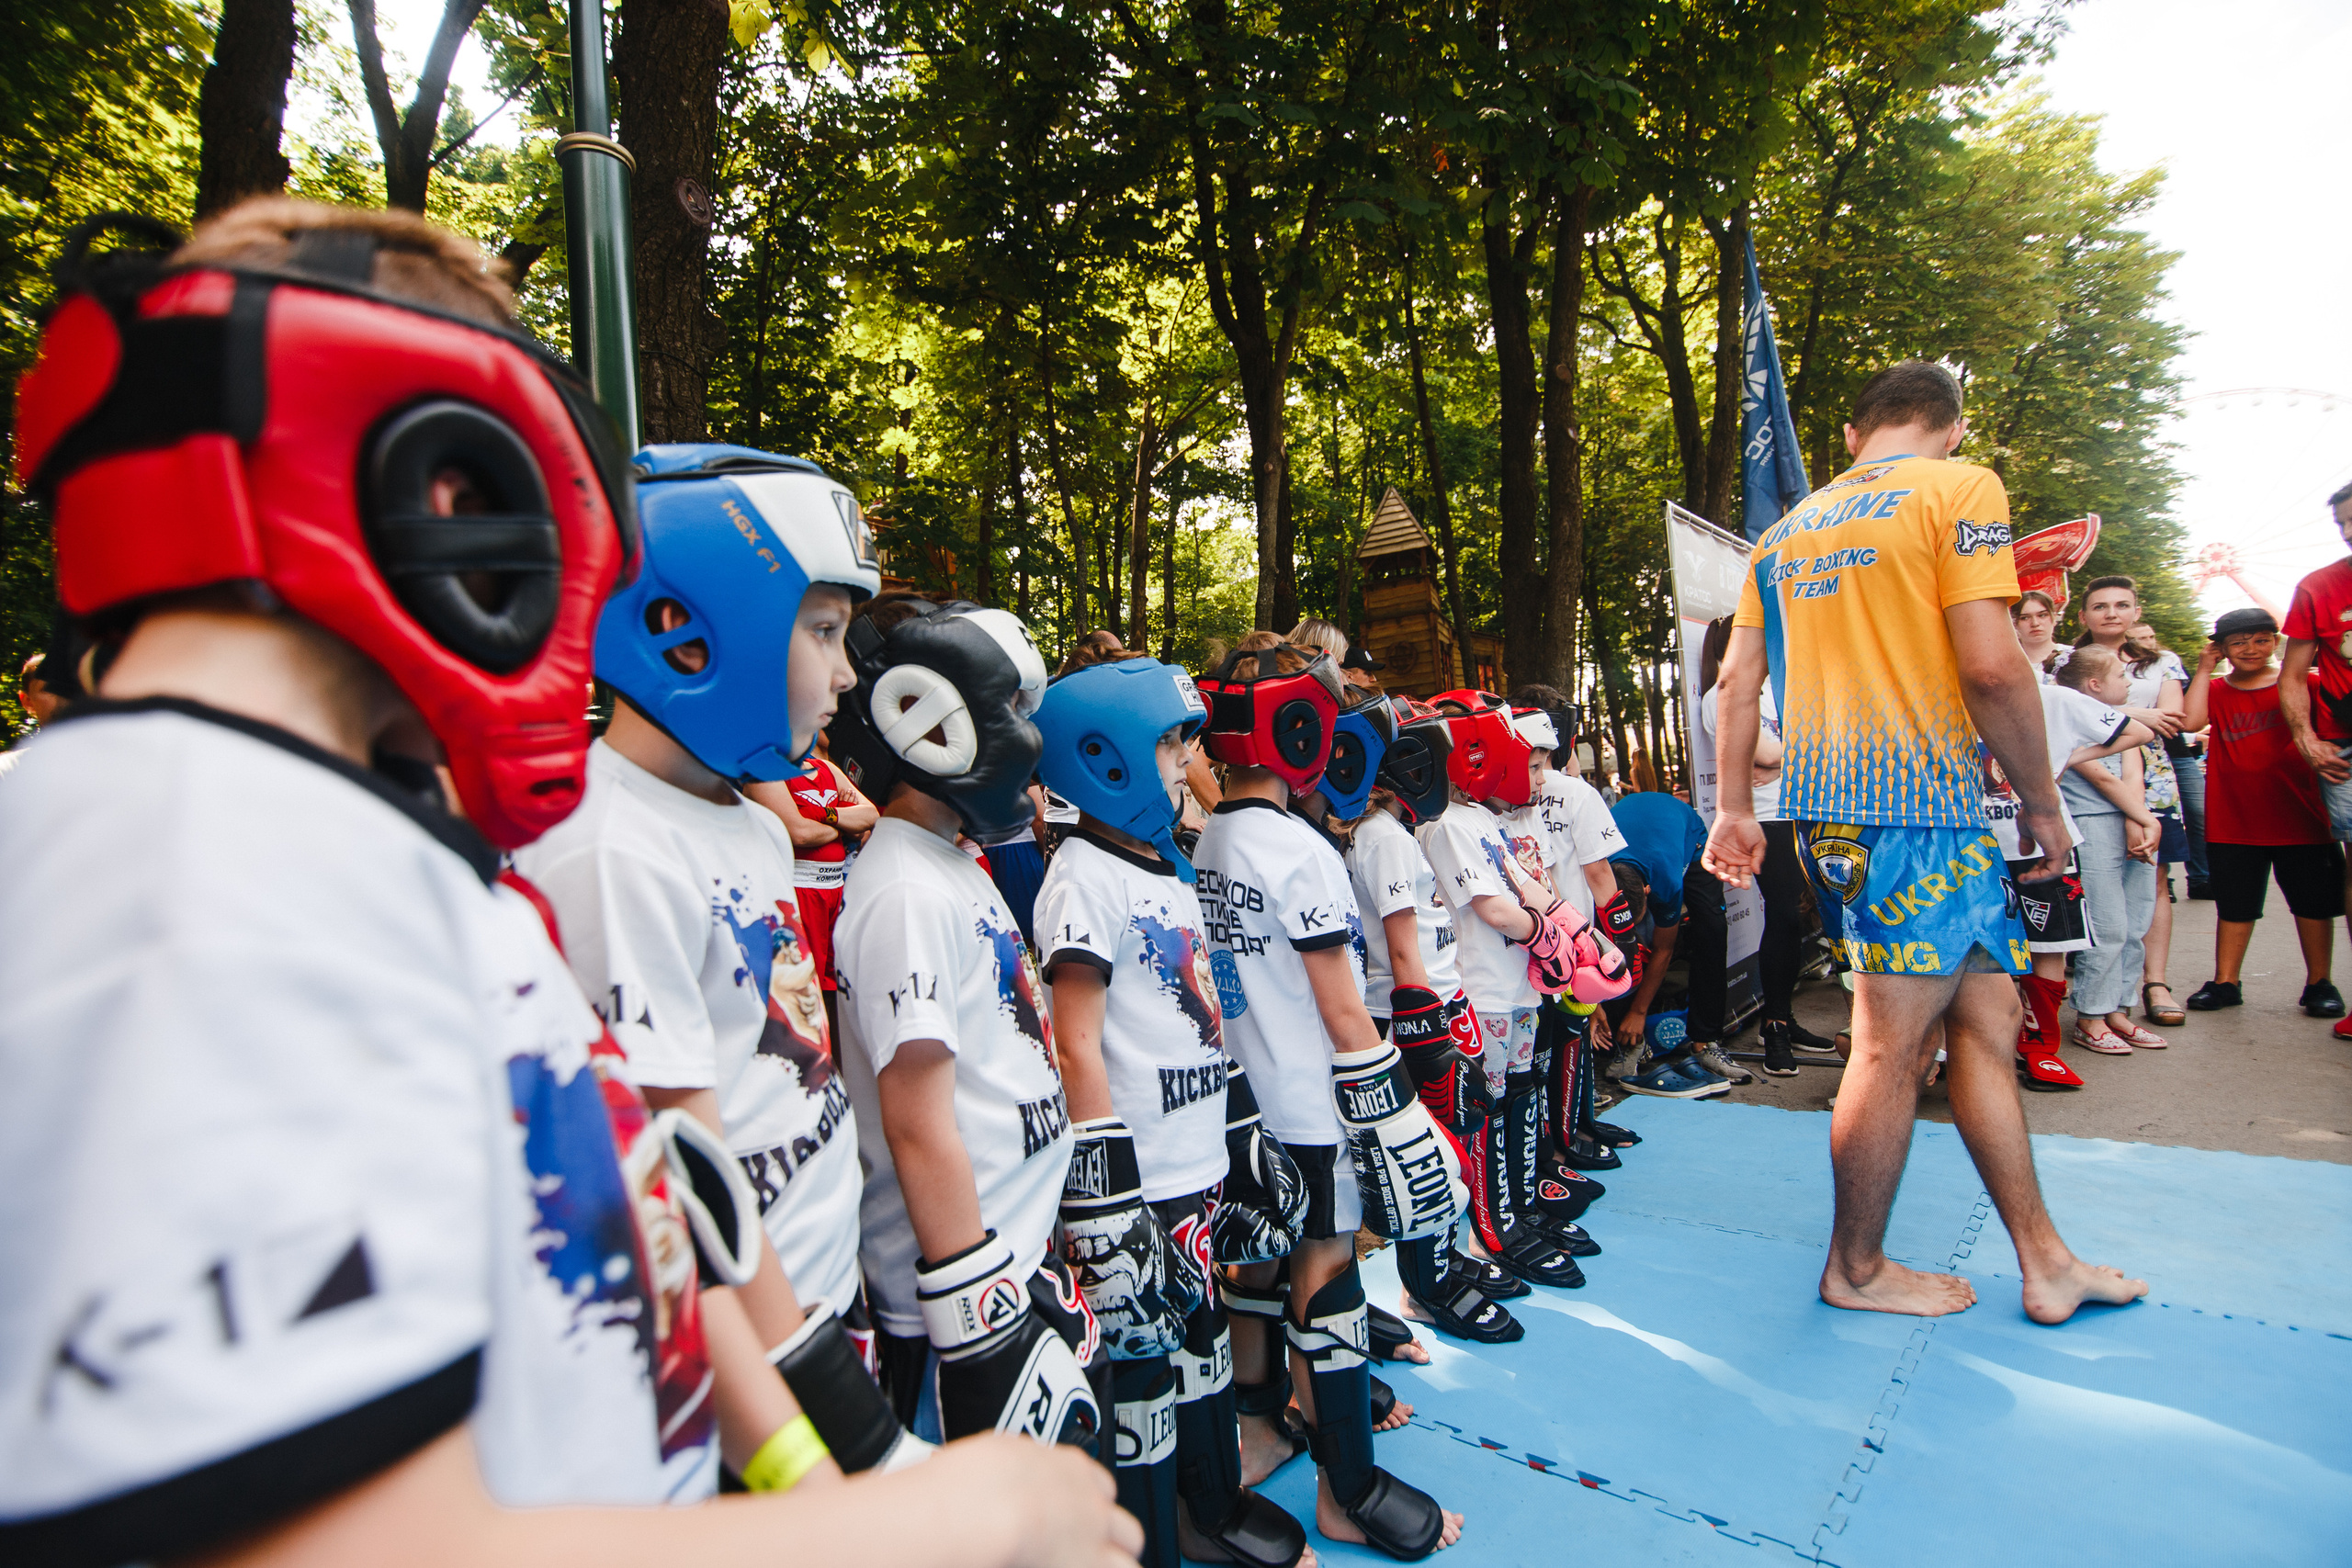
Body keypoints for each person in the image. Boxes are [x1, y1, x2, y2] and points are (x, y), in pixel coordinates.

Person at [0, 198, 1135, 1568]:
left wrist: (815, 1465)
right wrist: (939, 1521)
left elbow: (640, 1212)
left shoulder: (360, 849)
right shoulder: (194, 865)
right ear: (449, 489)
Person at [1705, 357, 2145, 1325]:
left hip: (1855, 810)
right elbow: (1992, 669)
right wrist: (2040, 801)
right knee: (1889, 1050)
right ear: (1949, 427)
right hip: (1913, 812)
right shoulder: (1959, 487)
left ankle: (2044, 1259)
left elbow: (1738, 685)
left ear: (1854, 437)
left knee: (1988, 1030)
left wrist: (1734, 806)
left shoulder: (1783, 533)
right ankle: (1854, 1267)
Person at [517, 444, 924, 1479]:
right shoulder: (613, 850)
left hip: (826, 1294)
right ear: (688, 629)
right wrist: (836, 1433)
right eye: (823, 631)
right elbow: (679, 1181)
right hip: (752, 1359)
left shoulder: (746, 822)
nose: (846, 672)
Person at [1030, 653, 1313, 1568]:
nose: (1186, 760)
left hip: (1197, 1159)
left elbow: (1205, 1014)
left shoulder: (1167, 864)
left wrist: (1240, 1125)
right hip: (1139, 1179)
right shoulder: (1081, 874)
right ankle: (1150, 1540)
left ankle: (1208, 1508)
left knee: (1197, 1346)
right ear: (1103, 757)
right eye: (1169, 743)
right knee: (1143, 1372)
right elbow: (1074, 1040)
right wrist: (1102, 1199)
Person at [1193, 636, 1464, 1561]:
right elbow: (1345, 1012)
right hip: (1309, 1108)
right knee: (1327, 1267)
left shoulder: (1210, 837)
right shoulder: (1297, 851)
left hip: (1238, 1104)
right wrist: (1406, 1116)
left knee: (1257, 1265)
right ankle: (1349, 1486)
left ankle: (1260, 1423)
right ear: (1304, 730)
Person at [825, 593, 1114, 1455]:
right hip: (960, 1300)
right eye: (1012, 715)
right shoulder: (906, 890)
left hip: (1019, 1255)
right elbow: (916, 1121)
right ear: (937, 727)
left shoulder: (949, 863)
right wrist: (978, 1319)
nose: (1029, 746)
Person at [1982, 637, 2154, 1090]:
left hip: (2043, 846)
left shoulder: (2055, 698)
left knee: (2050, 947)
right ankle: (1985, 1046)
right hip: (1970, 847)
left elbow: (2136, 732)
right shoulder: (1947, 697)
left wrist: (2059, 761)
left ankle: (2041, 1050)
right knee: (1982, 953)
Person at [2181, 608, 2345, 1013]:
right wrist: (2204, 668)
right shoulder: (2217, 690)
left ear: (2276, 641)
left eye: (2261, 639)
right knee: (2234, 905)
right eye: (2238, 642)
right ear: (2222, 648)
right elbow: (2191, 720)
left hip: (2302, 816)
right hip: (2233, 820)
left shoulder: (2305, 684)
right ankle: (2225, 982)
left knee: (2313, 904)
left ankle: (2320, 983)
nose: (2250, 649)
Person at [2070, 578, 2191, 1025]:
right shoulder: (2069, 661)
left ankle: (2144, 989)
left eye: (2122, 605)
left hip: (2149, 782)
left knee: (2147, 891)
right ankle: (2095, 1010)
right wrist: (2137, 714)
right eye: (2100, 606)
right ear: (2083, 616)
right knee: (2103, 908)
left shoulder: (2162, 662)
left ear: (2137, 612)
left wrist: (2129, 719)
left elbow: (2172, 722)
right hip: (2095, 784)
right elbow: (2067, 721)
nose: (2112, 613)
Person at [2048, 648, 2168, 1053]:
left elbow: (2131, 770)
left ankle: (2119, 1008)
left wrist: (2138, 819)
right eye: (2121, 674)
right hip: (2094, 826)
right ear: (2095, 685)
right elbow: (2103, 778)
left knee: (2136, 923)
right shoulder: (2071, 721)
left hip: (2130, 819)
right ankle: (2092, 1014)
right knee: (2107, 926)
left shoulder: (2119, 721)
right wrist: (2146, 819)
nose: (2130, 681)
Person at [2274, 479, 2352, 1039]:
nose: (2348, 532)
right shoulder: (2320, 586)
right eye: (2342, 524)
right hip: (2343, 748)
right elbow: (2294, 674)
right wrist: (2306, 736)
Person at [743, 733, 878, 1042]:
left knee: (844, 984)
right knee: (804, 988)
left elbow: (870, 815)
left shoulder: (826, 769)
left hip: (838, 889)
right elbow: (799, 833)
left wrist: (823, 815)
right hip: (799, 890)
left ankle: (842, 1062)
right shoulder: (764, 772)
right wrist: (845, 824)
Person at [1604, 790, 1730, 1099]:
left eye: (1636, 919)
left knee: (1711, 929)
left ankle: (1705, 1040)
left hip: (1688, 835)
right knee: (1617, 950)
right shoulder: (1596, 873)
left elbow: (1663, 949)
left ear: (1647, 892)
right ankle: (1631, 1042)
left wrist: (1639, 1011)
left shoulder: (1666, 880)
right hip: (1633, 832)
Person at [2010, 589, 2064, 674]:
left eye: (2042, 615)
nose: (2035, 623)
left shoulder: (2073, 657)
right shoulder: (2007, 665)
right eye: (2025, 618)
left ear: (2054, 618)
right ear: (2014, 623)